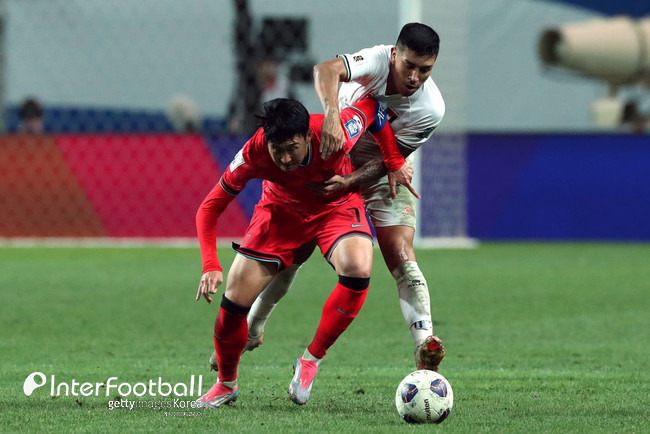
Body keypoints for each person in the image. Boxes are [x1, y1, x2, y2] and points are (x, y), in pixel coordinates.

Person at [237, 22, 447, 373]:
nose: (414, 77)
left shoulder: (431, 110)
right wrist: (332, 115)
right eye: (408, 65)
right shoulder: (378, 60)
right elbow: (326, 70)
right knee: (292, 255)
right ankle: (254, 327)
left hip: (378, 172)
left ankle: (425, 341)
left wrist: (350, 182)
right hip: (330, 160)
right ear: (395, 55)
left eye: (425, 70)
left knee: (399, 251)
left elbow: (389, 162)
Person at [195, 97, 414, 408]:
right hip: (280, 211)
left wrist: (393, 159)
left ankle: (310, 360)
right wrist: (209, 264)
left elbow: (373, 110)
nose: (284, 159)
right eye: (277, 150)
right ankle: (226, 384)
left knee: (358, 268)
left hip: (335, 206)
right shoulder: (252, 153)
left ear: (308, 137)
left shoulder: (335, 131)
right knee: (232, 305)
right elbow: (209, 207)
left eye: (291, 149)